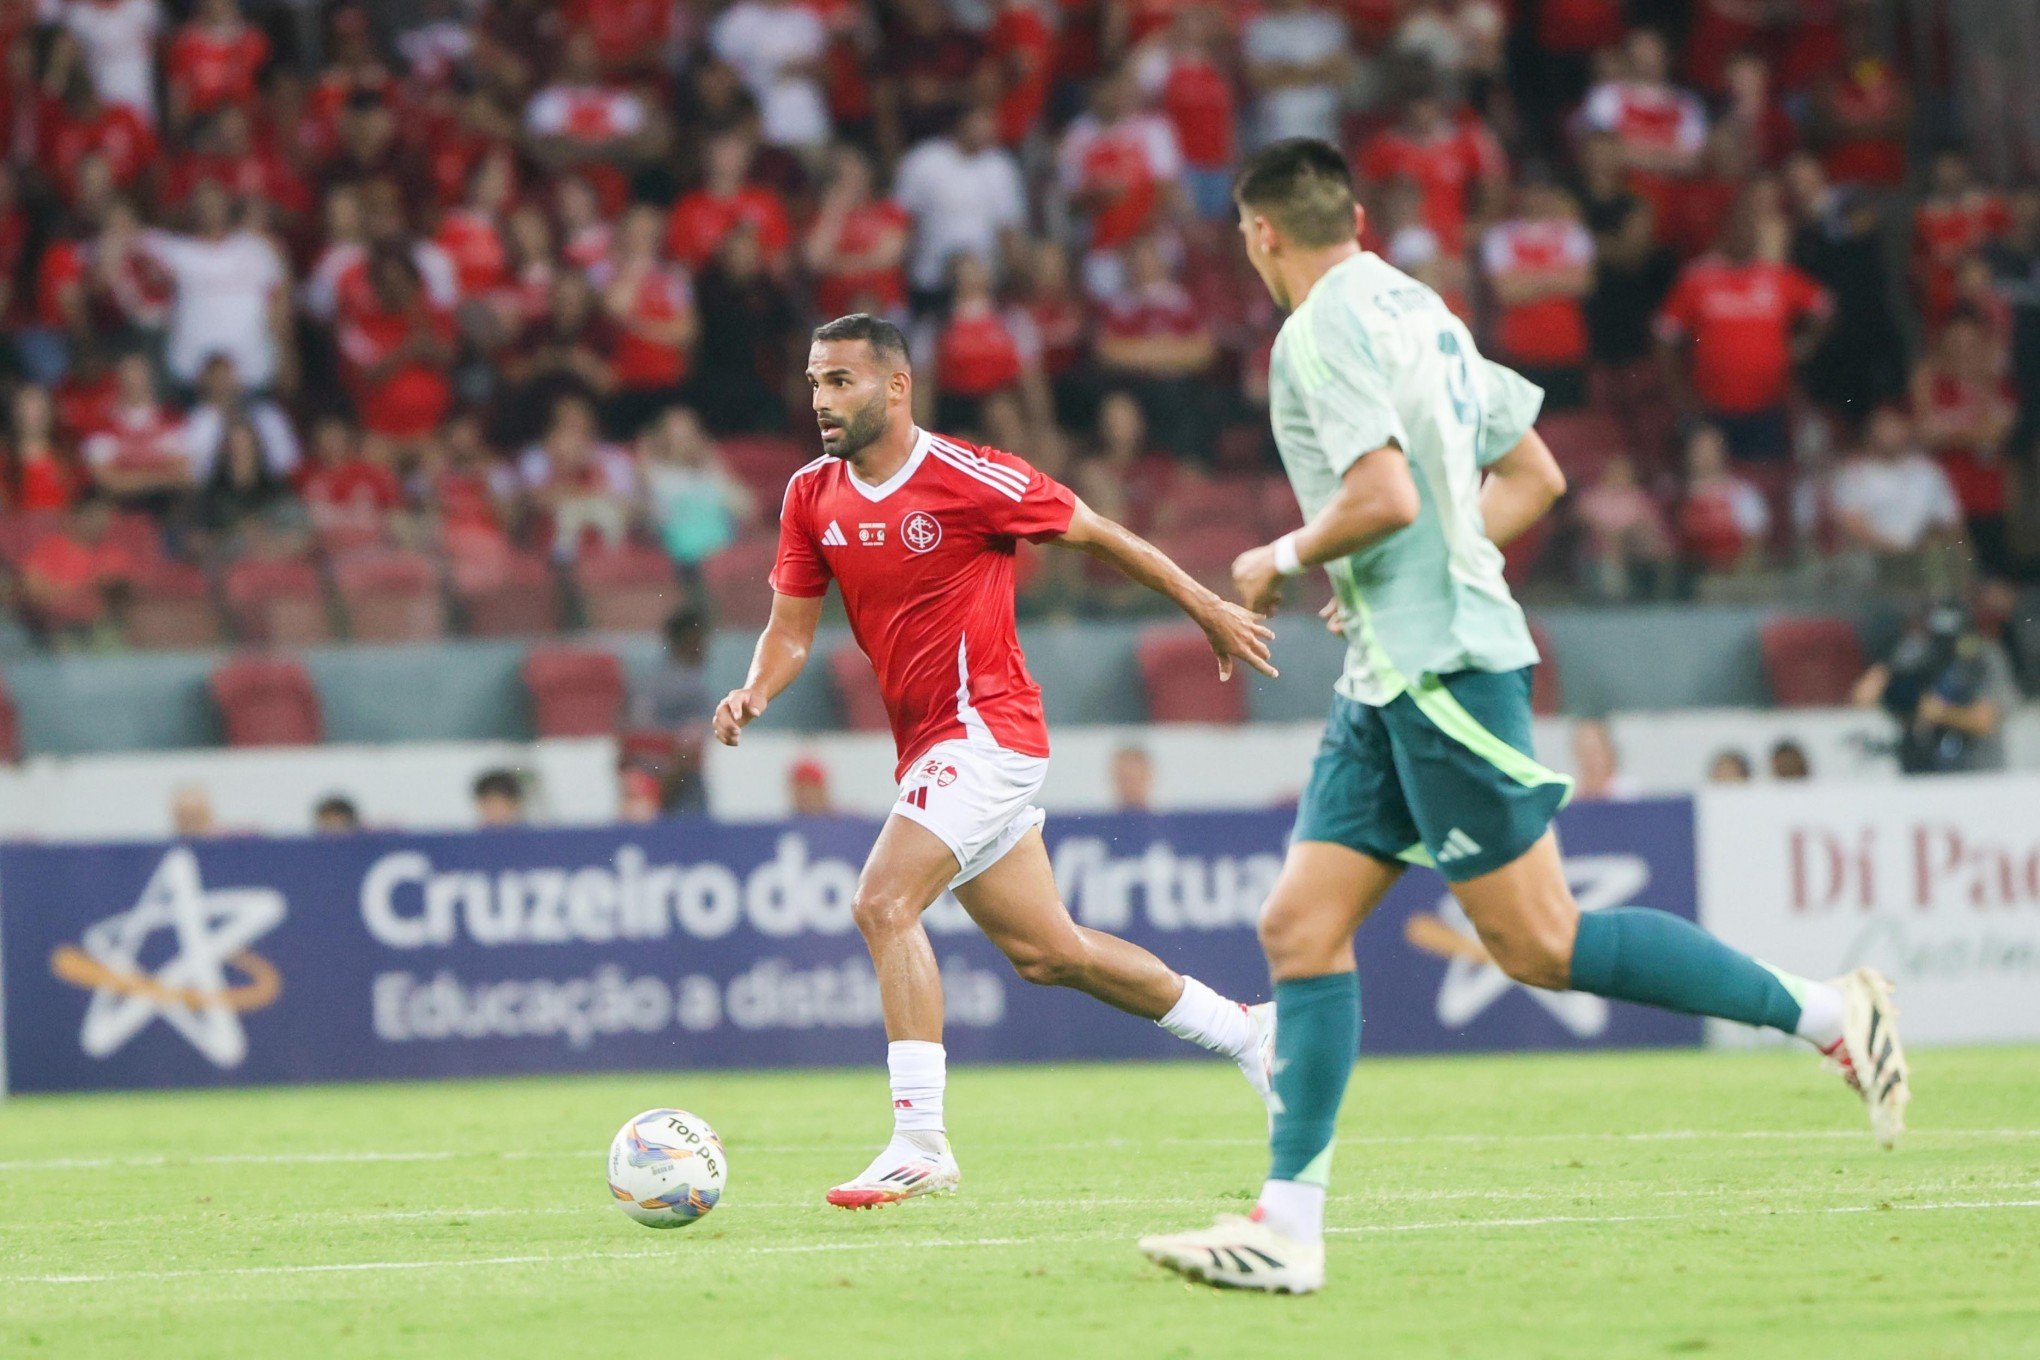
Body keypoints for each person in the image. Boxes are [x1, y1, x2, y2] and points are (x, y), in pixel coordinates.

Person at [1138, 140, 1908, 1296]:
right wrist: (1428, 567)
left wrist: (1280, 553)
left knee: (1539, 942)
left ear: (1260, 236)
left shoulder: (1317, 333)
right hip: (1396, 667)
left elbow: (1384, 493)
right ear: (1354, 212)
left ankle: (1825, 1009)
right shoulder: (1430, 315)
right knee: (1301, 924)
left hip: (1444, 671)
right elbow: (1536, 475)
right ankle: (1288, 1227)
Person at [714, 313, 1279, 1209]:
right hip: (931, 748)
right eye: (815, 382)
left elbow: (1095, 532)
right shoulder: (809, 495)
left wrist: (1204, 604)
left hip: (988, 731)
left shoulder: (966, 478)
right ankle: (1248, 1031)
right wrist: (757, 690)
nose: (821, 401)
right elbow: (789, 631)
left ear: (896, 387)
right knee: (1051, 953)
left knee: (882, 902)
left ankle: (920, 1141)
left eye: (842, 381)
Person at [1852, 599, 2017, 776]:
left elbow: (1985, 720)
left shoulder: (1984, 657)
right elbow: (1863, 697)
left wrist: (1942, 713)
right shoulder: (1918, 652)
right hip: (1923, 772)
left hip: (1977, 773)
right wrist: (1892, 667)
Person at [1109, 744, 1155, 812]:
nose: (1130, 785)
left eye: (1135, 779)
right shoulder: (1099, 821)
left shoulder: (1166, 821)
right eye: (1124, 779)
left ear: (1148, 777)